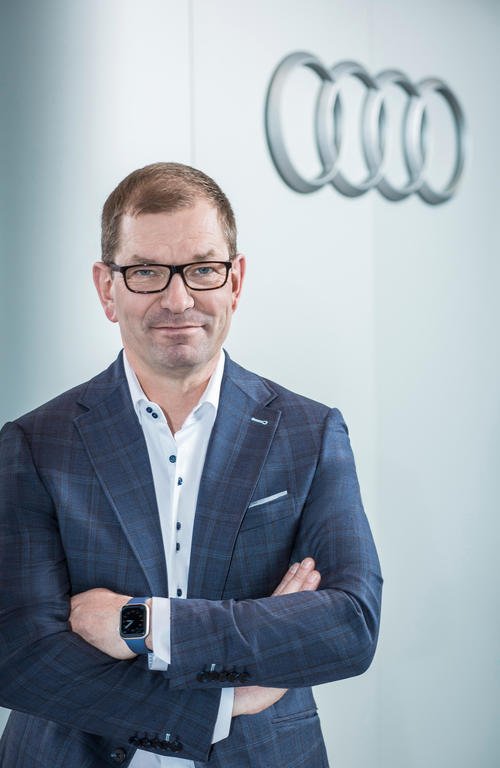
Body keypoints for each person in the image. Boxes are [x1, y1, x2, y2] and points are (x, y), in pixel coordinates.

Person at [0, 162, 382, 768]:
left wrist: (144, 623)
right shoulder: (35, 443)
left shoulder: (309, 433)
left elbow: (349, 626)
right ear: (106, 288)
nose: (178, 300)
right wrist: (221, 704)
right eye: (147, 272)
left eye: (203, 269)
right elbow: (21, 656)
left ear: (236, 280)